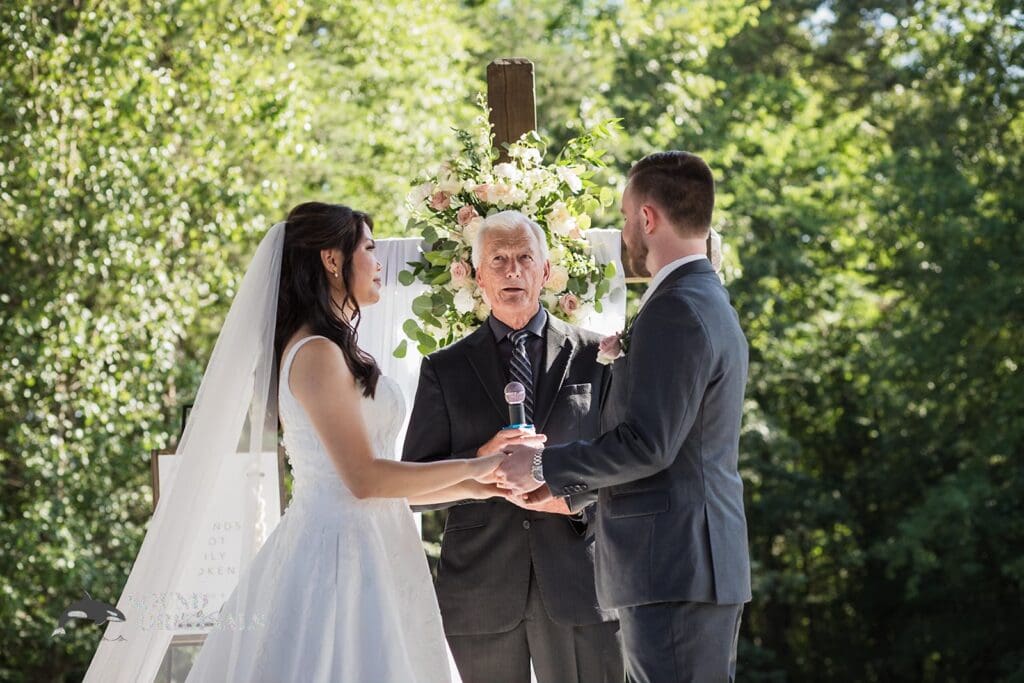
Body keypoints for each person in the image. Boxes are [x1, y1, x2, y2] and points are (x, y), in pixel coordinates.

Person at [180, 202, 510, 682]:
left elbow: (380, 485)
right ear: (332, 261)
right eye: (370, 250)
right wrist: (471, 467)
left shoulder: (336, 349)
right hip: (338, 561)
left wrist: (476, 486)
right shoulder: (315, 354)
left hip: (378, 544)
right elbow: (363, 480)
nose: (379, 265)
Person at [498, 152, 752, 683]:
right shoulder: (701, 298)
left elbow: (648, 443)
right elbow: (678, 444)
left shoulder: (677, 307)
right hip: (687, 563)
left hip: (672, 567)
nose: (621, 231)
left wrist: (543, 463)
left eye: (623, 215)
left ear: (648, 218)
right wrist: (575, 493)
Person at [402, 210, 624, 683]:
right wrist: (479, 464)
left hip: (579, 585)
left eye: (525, 258)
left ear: (546, 272)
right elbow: (414, 489)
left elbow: (625, 458)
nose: (512, 270)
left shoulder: (597, 358)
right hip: (480, 593)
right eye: (498, 260)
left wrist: (573, 498)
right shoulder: (443, 369)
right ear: (479, 276)